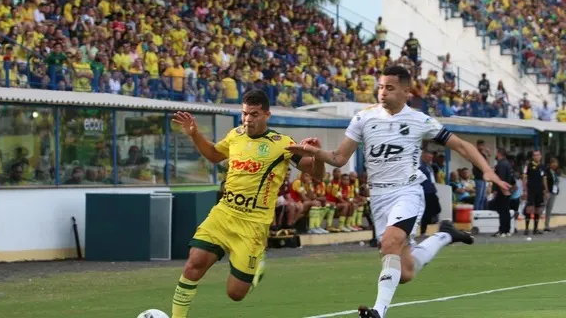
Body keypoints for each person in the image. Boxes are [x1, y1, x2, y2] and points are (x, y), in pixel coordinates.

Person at [286, 65, 510, 318]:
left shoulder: (419, 120)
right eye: (380, 87)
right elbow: (338, 158)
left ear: (406, 92)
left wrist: (486, 170)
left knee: (390, 242)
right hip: (379, 197)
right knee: (405, 272)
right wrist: (315, 153)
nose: (382, 93)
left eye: (390, 88)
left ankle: (379, 312)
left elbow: (460, 145)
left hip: (408, 192)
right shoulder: (363, 118)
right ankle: (445, 235)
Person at [169, 89, 325, 318]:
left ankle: (256, 269)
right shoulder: (235, 135)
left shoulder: (282, 144)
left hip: (252, 224)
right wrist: (194, 134)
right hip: (224, 213)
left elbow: (317, 173)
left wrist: (318, 155)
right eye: (245, 114)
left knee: (235, 293)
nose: (248, 119)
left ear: (267, 115)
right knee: (194, 263)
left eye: (254, 114)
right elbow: (213, 155)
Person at [522, 150, 548, 235]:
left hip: (539, 190)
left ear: (540, 156)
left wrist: (546, 190)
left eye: (538, 155)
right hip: (531, 190)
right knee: (529, 208)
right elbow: (524, 178)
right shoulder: (528, 166)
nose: (537, 157)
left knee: (538, 209)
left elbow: (544, 179)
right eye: (535, 155)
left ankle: (535, 229)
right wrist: (525, 190)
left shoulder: (542, 167)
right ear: (533, 157)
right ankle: (526, 229)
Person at [493, 148, 515, 237]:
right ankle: (507, 230)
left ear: (499, 153)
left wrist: (496, 190)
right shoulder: (508, 163)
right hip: (507, 189)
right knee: (506, 210)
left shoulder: (501, 164)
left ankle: (502, 230)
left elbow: (500, 178)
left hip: (502, 189)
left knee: (502, 210)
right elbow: (512, 179)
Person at [418, 150, 440, 236]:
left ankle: (427, 227)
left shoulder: (429, 166)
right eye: (429, 156)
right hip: (425, 191)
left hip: (431, 190)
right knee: (427, 211)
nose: (430, 158)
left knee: (435, 209)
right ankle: (423, 230)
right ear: (423, 156)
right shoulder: (420, 166)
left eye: (431, 157)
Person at [544, 157, 559, 232]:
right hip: (548, 191)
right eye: (553, 162)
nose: (555, 164)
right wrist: (546, 190)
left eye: (556, 162)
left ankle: (546, 226)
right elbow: (545, 180)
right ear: (550, 164)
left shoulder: (555, 172)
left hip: (553, 192)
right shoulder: (547, 171)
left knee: (549, 209)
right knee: (542, 207)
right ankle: (535, 225)